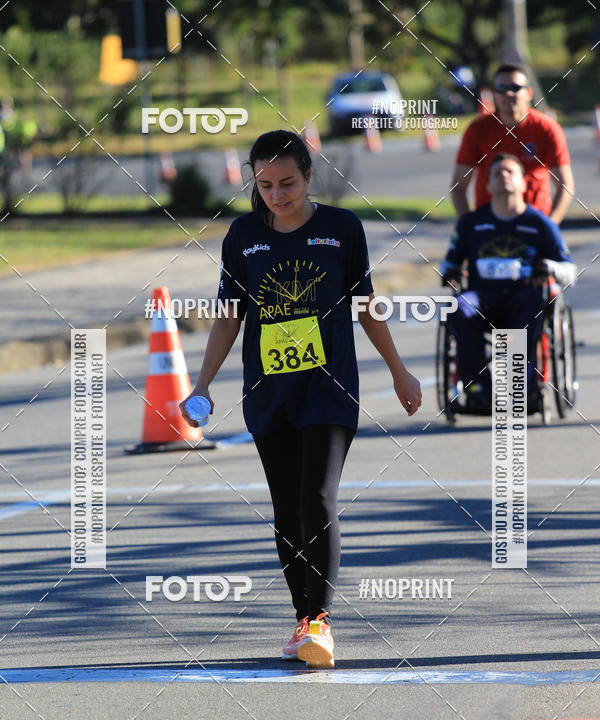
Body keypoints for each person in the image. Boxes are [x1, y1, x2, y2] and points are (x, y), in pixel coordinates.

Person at [180, 130, 421, 668]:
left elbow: (366, 306)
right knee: (286, 509)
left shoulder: (341, 229)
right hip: (269, 392)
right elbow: (229, 317)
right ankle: (302, 620)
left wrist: (399, 371)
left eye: (287, 182)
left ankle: (320, 620)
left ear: (309, 176)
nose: (276, 194)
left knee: (317, 496)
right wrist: (201, 385)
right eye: (264, 184)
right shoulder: (243, 236)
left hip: (329, 389)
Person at [440, 152, 576, 413]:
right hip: (482, 297)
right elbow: (448, 264)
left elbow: (569, 270)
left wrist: (548, 267)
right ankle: (477, 388)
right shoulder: (471, 223)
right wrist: (450, 273)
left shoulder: (541, 224)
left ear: (524, 183)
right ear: (488, 185)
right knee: (460, 305)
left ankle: (520, 385)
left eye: (509, 171)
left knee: (531, 304)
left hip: (524, 296)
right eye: (496, 173)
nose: (502, 176)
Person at [450, 63, 574, 225]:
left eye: (515, 88)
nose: (508, 93)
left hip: (534, 223)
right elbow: (458, 185)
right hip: (489, 225)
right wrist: (468, 227)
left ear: (529, 93)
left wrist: (550, 226)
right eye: (501, 88)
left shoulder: (546, 128)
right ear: (495, 94)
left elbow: (565, 186)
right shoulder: (477, 129)